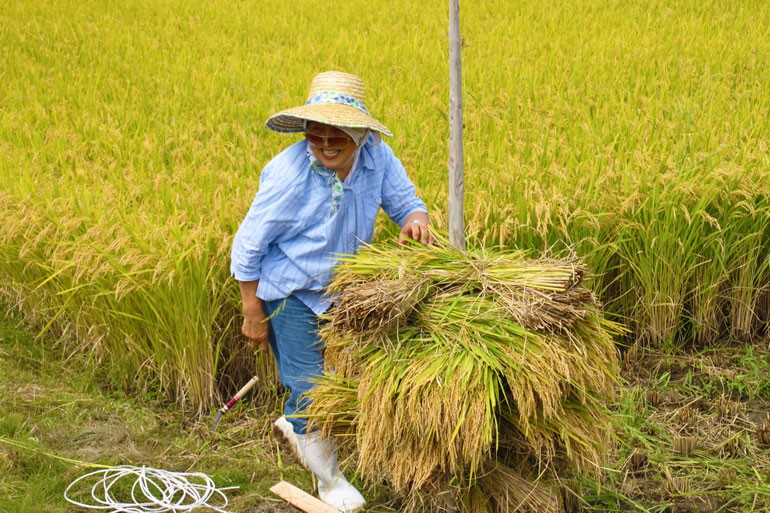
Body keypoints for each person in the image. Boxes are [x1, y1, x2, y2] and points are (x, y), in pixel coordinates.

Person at [230, 70, 431, 512]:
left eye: (337, 132)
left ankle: (296, 422)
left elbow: (406, 202)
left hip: (344, 290)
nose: (324, 143)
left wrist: (417, 219)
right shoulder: (288, 175)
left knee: (340, 377)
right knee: (313, 385)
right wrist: (252, 311)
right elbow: (247, 246)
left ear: (360, 131)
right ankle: (329, 482)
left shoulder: (378, 158)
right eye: (315, 132)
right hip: (291, 289)